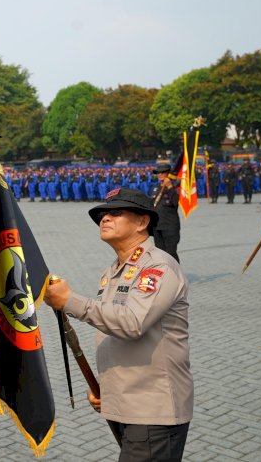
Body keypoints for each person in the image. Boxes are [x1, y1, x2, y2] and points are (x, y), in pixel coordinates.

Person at [44, 187, 193, 461]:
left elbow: (132, 323)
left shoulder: (157, 267)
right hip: (129, 404)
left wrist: (70, 301)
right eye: (102, 214)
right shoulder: (114, 270)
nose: (105, 218)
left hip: (152, 410)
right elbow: (113, 332)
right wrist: (107, 389)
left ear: (142, 221)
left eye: (115, 212)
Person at [149, 163, 181, 262]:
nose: (160, 174)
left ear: (168, 173)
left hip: (170, 226)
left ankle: (175, 275)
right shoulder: (155, 187)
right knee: (160, 254)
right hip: (157, 226)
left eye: (162, 172)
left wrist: (170, 187)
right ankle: (164, 276)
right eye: (158, 172)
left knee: (170, 254)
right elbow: (151, 204)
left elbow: (176, 203)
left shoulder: (175, 186)